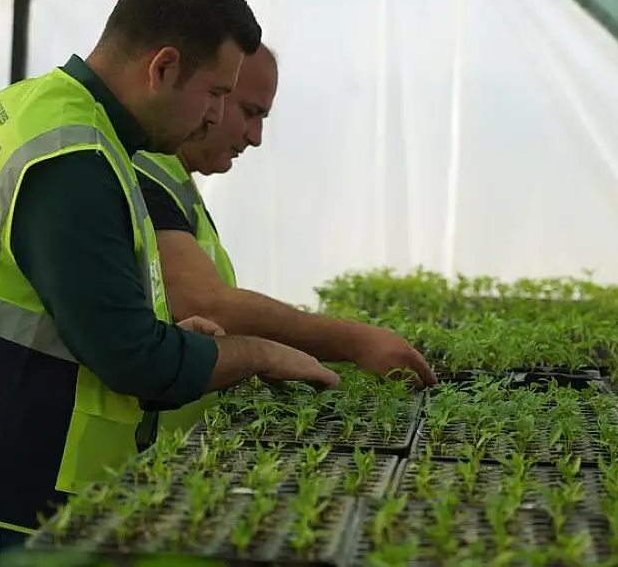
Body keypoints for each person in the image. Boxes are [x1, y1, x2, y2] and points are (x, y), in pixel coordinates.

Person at [0, 0, 339, 567]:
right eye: (215, 93)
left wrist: (164, 335)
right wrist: (260, 353)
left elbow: (63, 311)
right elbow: (133, 360)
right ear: (162, 67)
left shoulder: (36, 107)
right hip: (5, 502)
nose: (217, 117)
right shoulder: (74, 158)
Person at [133, 46, 437, 437]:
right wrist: (355, 341)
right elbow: (206, 304)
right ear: (212, 94)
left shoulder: (174, 182)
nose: (256, 138)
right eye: (250, 111)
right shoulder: (147, 175)